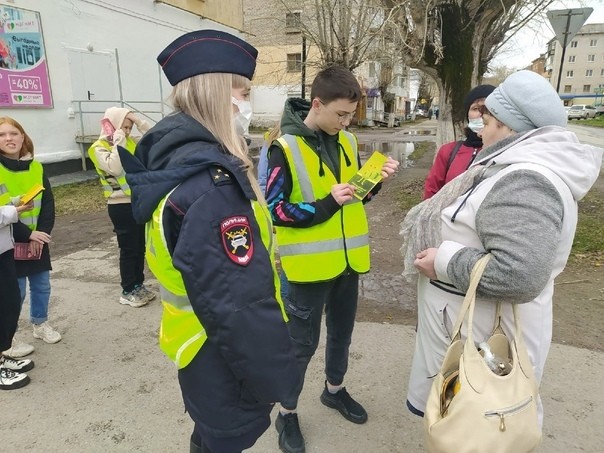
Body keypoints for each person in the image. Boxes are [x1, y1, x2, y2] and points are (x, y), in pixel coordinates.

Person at [116, 29, 299, 453]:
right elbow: (239, 305)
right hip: (223, 356)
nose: (248, 103)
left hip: (197, 345)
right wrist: (279, 377)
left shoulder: (176, 160)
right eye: (244, 91)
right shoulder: (211, 187)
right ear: (217, 94)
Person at [400, 70, 603, 425]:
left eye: (488, 118)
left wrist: (444, 260)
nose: (481, 127)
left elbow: (520, 273)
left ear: (510, 125)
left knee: (477, 433)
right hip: (476, 335)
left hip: (485, 344)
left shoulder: (525, 180)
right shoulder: (514, 169)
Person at [265, 66, 399, 453]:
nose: (345, 122)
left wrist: (373, 182)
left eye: (350, 116)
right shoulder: (284, 147)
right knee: (300, 347)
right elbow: (276, 210)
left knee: (342, 335)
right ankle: (286, 413)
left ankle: (334, 390)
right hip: (307, 270)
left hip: (348, 264)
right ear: (318, 104)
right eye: (340, 114)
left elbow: (353, 197)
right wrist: (325, 204)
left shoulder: (347, 142)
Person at [0, 117, 61, 350]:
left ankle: (40, 323)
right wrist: (28, 235)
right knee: (15, 293)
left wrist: (42, 233)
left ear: (22, 137)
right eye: (2, 134)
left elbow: (48, 204)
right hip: (9, 241)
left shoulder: (37, 166)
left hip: (37, 239)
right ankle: (9, 335)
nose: (9, 138)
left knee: (42, 285)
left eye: (14, 133)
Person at [88, 107, 156, 308]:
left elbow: (155, 137)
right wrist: (118, 141)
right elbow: (115, 168)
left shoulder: (130, 142)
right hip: (119, 205)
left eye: (129, 128)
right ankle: (128, 289)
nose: (126, 131)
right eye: (123, 126)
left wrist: (137, 119)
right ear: (112, 125)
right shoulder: (98, 147)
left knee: (140, 247)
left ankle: (138, 284)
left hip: (137, 201)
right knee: (129, 248)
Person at [423, 84, 495, 199]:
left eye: (487, 108)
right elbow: (431, 193)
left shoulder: (506, 153)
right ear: (467, 114)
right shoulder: (449, 151)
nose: (481, 114)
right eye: (476, 108)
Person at [0, 202, 35, 390]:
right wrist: (14, 211)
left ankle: (1, 355)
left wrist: (14, 203)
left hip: (3, 249)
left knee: (9, 303)